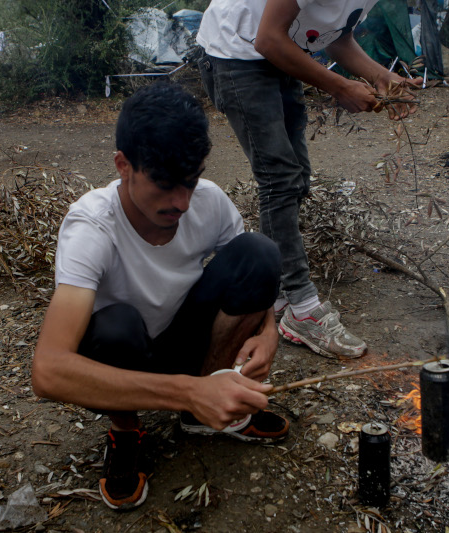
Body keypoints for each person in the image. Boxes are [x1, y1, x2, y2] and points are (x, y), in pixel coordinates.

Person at [32, 82, 290, 511]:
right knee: (114, 326)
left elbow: (252, 276)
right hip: (123, 357)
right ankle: (127, 430)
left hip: (184, 337)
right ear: (123, 165)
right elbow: (48, 370)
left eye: (190, 182)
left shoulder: (209, 202)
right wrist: (188, 391)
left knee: (259, 253)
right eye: (165, 183)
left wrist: (268, 332)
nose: (182, 202)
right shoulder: (91, 228)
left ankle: (201, 412)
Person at [196, 0, 419, 359]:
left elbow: (336, 37)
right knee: (279, 178)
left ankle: (276, 292)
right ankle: (302, 308)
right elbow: (268, 39)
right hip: (238, 52)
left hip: (282, 51)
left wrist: (380, 75)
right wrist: (340, 87)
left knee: (296, 177)